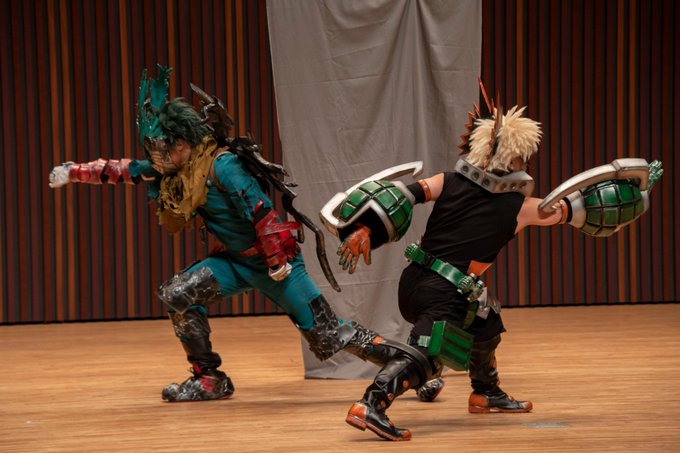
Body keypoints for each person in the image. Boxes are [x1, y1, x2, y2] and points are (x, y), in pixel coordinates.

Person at [48, 65, 414, 402]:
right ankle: (209, 379)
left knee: (329, 334)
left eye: (163, 149)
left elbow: (262, 212)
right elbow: (126, 170)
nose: (158, 157)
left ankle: (411, 367)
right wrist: (75, 171)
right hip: (235, 263)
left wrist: (277, 262)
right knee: (178, 294)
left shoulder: (222, 165)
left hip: (276, 266)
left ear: (182, 144)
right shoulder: (180, 169)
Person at [320, 80, 662, 441]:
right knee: (429, 358)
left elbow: (404, 194)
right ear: (505, 157)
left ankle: (486, 392)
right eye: (520, 156)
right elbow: (578, 209)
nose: (524, 163)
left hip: (422, 283)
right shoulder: (521, 208)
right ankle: (370, 404)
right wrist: (631, 193)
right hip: (442, 294)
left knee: (486, 323)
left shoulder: (447, 181)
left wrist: (366, 228)